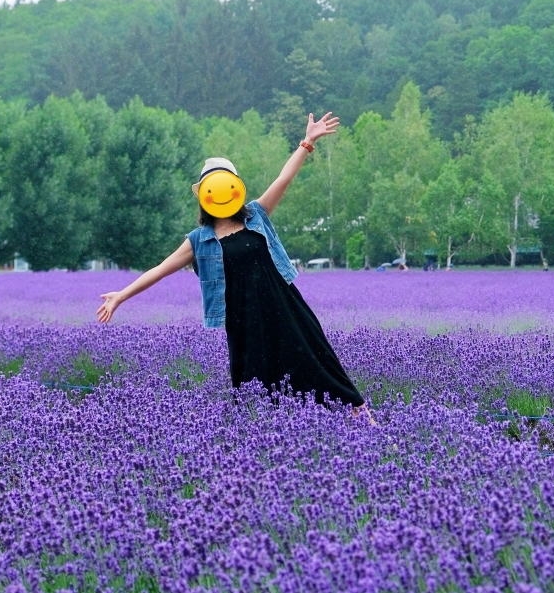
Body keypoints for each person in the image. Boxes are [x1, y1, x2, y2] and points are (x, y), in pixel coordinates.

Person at [96, 113, 373, 421]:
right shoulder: (199, 240)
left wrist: (307, 142)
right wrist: (121, 295)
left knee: (316, 359)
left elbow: (284, 179)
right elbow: (160, 269)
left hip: (284, 306)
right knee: (257, 385)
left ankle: (359, 416)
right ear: (204, 196)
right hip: (244, 321)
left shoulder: (256, 214)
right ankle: (273, 438)